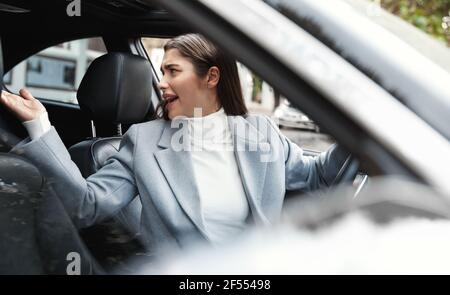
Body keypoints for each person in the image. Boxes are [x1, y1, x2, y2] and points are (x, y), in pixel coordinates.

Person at [0, 33, 349, 254]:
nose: (161, 84)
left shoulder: (261, 132)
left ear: (211, 77)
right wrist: (40, 126)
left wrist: (359, 126)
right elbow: (86, 206)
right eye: (161, 72)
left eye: (173, 71)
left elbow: (319, 176)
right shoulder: (144, 141)